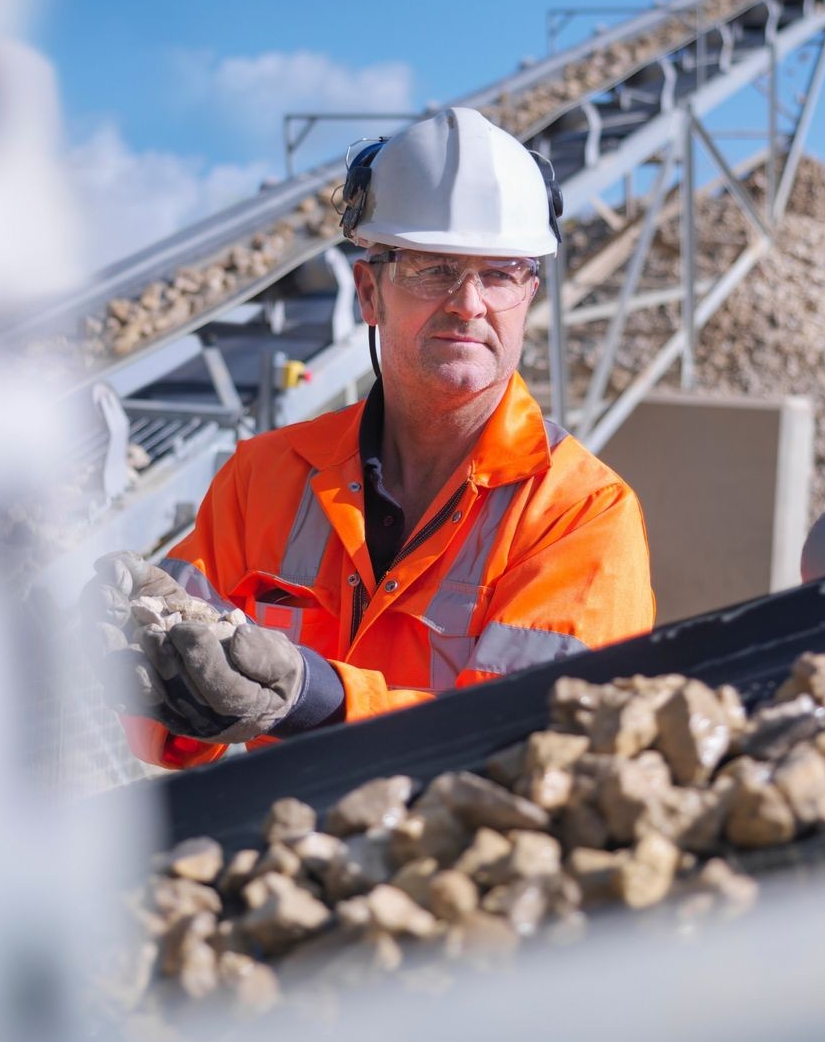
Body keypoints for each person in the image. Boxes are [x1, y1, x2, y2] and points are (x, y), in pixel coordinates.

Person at [104, 106, 655, 770]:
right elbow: (170, 733)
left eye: (501, 273)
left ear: (529, 293)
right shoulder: (263, 479)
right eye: (431, 267)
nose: (469, 303)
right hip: (279, 851)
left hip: (464, 867)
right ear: (369, 292)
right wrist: (129, 662)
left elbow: (541, 755)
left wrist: (322, 699)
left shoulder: (580, 515)